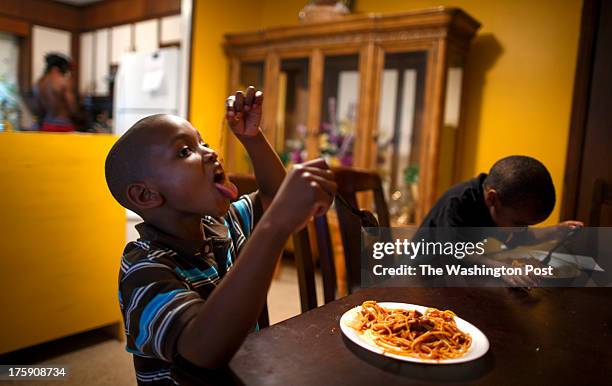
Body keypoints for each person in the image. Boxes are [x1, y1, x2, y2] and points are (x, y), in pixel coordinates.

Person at [105, 86, 336, 385]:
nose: (210, 152)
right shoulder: (143, 268)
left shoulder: (223, 224)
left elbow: (274, 198)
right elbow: (200, 352)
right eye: (185, 151)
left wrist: (252, 138)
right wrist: (274, 225)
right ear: (146, 194)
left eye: (203, 142)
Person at [418, 155, 583, 286]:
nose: (522, 229)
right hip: (419, 277)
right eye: (519, 223)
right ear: (492, 199)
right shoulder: (457, 203)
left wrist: (555, 231)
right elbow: (453, 253)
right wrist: (501, 269)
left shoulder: (500, 206)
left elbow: (521, 237)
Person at [33, 53, 79, 132]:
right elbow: (72, 107)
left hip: (46, 124)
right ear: (57, 68)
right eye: (65, 68)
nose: (66, 71)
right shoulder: (64, 81)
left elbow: (38, 108)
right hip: (63, 125)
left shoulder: (39, 83)